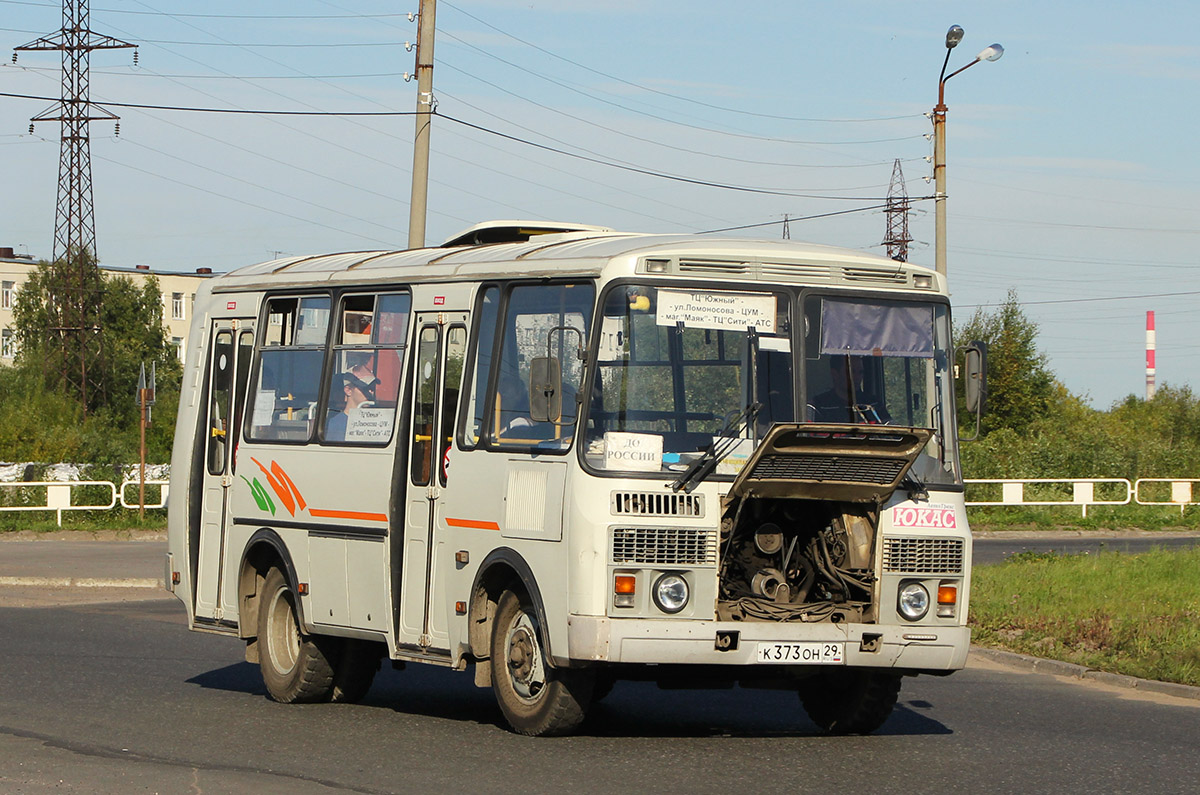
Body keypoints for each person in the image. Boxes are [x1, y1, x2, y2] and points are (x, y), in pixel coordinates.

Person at [808, 355, 890, 424]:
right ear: (835, 374)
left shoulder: (874, 404)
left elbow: (893, 433)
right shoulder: (819, 406)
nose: (857, 377)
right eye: (851, 372)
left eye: (860, 372)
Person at [327, 364, 379, 441]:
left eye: (372, 387)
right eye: (365, 388)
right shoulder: (337, 424)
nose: (371, 392)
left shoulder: (377, 421)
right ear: (348, 390)